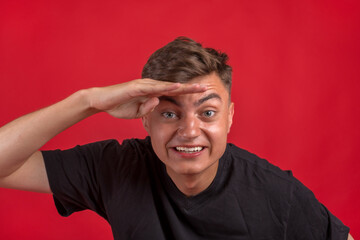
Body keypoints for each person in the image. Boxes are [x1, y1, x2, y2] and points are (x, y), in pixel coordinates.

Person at [0, 37, 353, 240]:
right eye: (170, 113)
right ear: (145, 119)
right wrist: (87, 101)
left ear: (229, 118)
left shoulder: (277, 195)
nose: (188, 131)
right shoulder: (116, 168)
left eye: (208, 113)